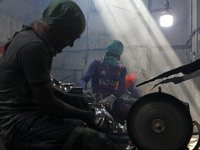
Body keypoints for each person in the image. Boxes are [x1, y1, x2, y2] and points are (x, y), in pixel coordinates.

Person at [0, 0, 116, 150]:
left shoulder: (33, 37)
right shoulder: (34, 47)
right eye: (70, 37)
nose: (71, 44)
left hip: (27, 114)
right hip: (15, 122)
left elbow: (41, 89)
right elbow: (47, 104)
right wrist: (88, 116)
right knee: (94, 140)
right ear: (58, 28)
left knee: (77, 125)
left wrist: (71, 98)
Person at [79, 40, 131, 124]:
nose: (112, 57)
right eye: (110, 54)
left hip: (111, 99)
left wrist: (113, 97)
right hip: (96, 98)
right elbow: (84, 80)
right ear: (106, 53)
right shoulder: (96, 64)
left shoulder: (121, 69)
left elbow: (121, 87)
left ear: (119, 57)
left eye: (115, 55)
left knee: (130, 113)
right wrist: (84, 91)